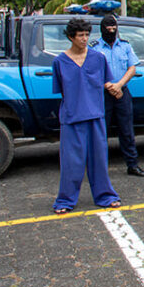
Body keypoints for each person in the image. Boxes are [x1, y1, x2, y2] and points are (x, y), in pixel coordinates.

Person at [52, 18, 121, 214]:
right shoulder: (59, 62)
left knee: (99, 159)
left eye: (86, 35)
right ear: (71, 37)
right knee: (71, 162)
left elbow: (107, 82)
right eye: (80, 36)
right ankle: (65, 200)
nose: (84, 39)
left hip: (96, 116)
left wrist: (115, 89)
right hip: (72, 117)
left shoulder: (98, 58)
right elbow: (61, 90)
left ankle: (105, 195)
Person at [90, 14, 144, 177]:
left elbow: (132, 68)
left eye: (113, 28)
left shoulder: (125, 46)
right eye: (108, 28)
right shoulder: (94, 47)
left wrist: (119, 85)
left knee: (127, 131)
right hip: (102, 93)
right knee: (101, 132)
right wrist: (109, 86)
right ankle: (99, 168)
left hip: (122, 93)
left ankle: (132, 165)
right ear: (102, 29)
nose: (111, 31)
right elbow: (92, 71)